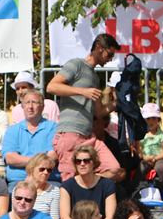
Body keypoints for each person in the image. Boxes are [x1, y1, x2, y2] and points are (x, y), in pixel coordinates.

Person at [46, 32, 124, 181]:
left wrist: (118, 103)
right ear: (100, 48)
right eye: (109, 54)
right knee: (69, 182)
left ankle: (85, 185)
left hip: (88, 136)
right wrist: (82, 91)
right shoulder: (76, 64)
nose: (111, 59)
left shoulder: (94, 77)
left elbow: (99, 112)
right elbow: (51, 86)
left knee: (113, 169)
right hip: (70, 133)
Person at [2, 91, 57, 190]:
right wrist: (40, 162)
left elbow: (52, 156)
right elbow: (10, 158)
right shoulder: (13, 130)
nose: (30, 106)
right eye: (27, 103)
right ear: (22, 106)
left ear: (42, 106)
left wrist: (23, 161)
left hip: (47, 181)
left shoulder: (53, 127)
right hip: (18, 182)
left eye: (34, 102)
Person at [139, 102, 163, 179]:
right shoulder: (141, 135)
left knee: (160, 168)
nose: (151, 121)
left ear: (158, 120)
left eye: (154, 118)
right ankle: (138, 187)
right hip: (146, 159)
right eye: (148, 119)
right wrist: (144, 157)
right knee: (141, 168)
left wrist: (155, 158)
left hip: (160, 159)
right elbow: (139, 149)